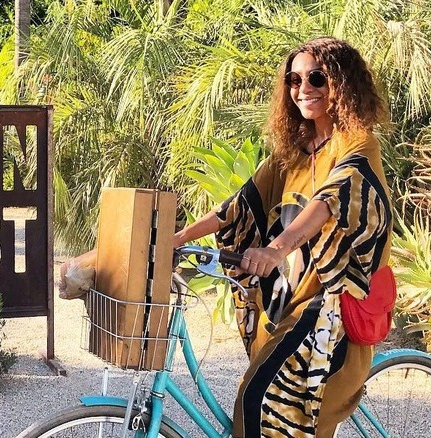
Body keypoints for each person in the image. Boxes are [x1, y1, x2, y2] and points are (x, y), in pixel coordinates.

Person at [61, 37, 392, 438]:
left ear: (342, 84)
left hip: (332, 309)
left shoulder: (358, 144)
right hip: (291, 303)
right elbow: (237, 206)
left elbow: (332, 200)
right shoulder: (294, 152)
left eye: (317, 78)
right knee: (262, 401)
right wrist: (175, 237)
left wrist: (275, 248)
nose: (303, 88)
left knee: (259, 399)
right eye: (294, 79)